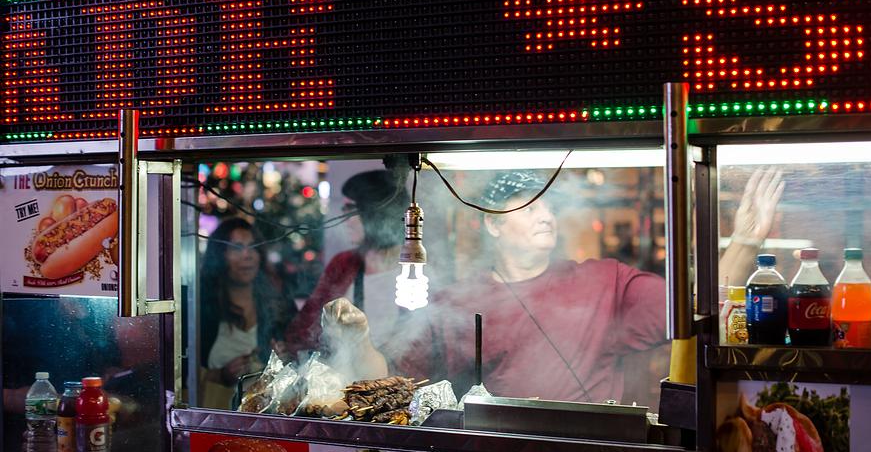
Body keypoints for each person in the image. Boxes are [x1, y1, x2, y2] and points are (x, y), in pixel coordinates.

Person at [313, 167, 782, 402]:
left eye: (547, 205)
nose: (545, 215)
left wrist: (744, 240)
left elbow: (694, 304)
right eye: (527, 207)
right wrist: (357, 338)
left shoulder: (604, 280)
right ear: (492, 227)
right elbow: (388, 378)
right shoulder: (458, 302)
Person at [283, 170, 409, 369]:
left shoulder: (417, 274)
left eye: (351, 209)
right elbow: (304, 327)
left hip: (392, 390)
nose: (344, 217)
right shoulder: (344, 264)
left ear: (376, 213)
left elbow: (421, 355)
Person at [198, 217, 293, 407]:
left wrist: (286, 355)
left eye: (253, 247)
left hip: (267, 416)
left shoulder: (276, 302)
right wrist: (220, 375)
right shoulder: (202, 305)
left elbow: (301, 350)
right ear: (219, 255)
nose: (247, 255)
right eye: (236, 248)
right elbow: (178, 370)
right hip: (215, 418)